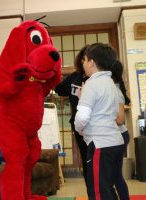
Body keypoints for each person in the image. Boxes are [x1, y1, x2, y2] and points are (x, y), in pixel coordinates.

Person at [74, 43, 124, 200]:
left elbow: (82, 116)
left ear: (92, 62)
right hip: (115, 141)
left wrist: (79, 129)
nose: (83, 63)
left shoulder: (91, 83)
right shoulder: (111, 84)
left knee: (99, 191)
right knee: (108, 187)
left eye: (84, 59)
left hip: (100, 144)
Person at [54, 45, 89, 185]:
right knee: (86, 159)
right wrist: (54, 72)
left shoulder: (97, 78)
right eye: (84, 58)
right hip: (79, 126)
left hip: (95, 126)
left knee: (97, 161)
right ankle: (91, 192)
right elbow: (59, 89)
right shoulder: (75, 77)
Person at [111, 60, 130, 200]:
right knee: (114, 175)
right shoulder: (111, 88)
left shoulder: (115, 91)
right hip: (116, 135)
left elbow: (120, 119)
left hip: (120, 135)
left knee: (115, 175)